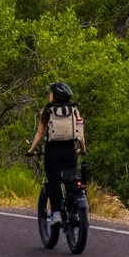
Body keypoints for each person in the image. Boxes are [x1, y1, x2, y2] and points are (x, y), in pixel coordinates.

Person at [28, 82, 85, 227]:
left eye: (51, 93)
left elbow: (40, 133)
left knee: (53, 182)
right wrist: (82, 149)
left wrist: (31, 150)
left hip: (53, 151)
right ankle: (75, 209)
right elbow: (80, 134)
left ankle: (57, 214)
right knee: (71, 179)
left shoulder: (47, 111)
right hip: (70, 150)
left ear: (55, 96)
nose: (49, 95)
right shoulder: (74, 110)